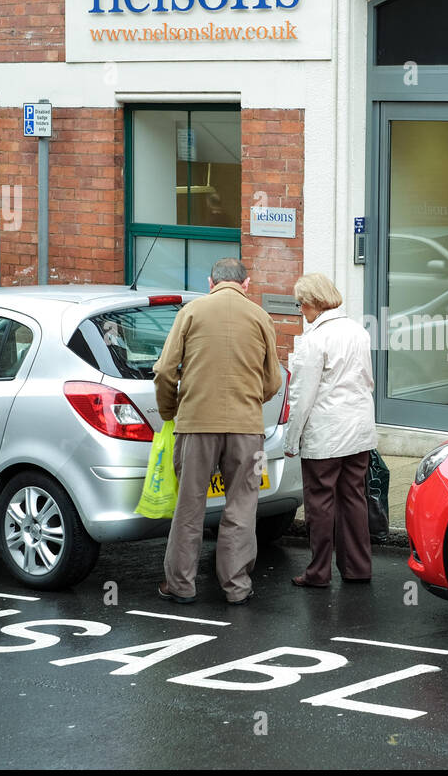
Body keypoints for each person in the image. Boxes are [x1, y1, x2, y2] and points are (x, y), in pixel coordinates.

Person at [153, 257, 282, 605]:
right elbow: (274, 381)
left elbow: (165, 371)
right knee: (242, 506)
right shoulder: (260, 317)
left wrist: (170, 411)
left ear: (210, 282)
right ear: (247, 283)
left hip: (196, 425)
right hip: (246, 429)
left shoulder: (191, 313)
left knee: (190, 507)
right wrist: (251, 400)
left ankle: (180, 585)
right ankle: (236, 587)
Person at [285, 273, 377, 587]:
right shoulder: (358, 332)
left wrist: (290, 437)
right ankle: (357, 568)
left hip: (325, 435)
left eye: (301, 304)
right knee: (354, 497)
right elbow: (368, 381)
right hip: (359, 430)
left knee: (320, 502)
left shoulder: (314, 340)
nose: (300, 310)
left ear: (312, 303)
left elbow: (301, 396)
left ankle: (318, 572)